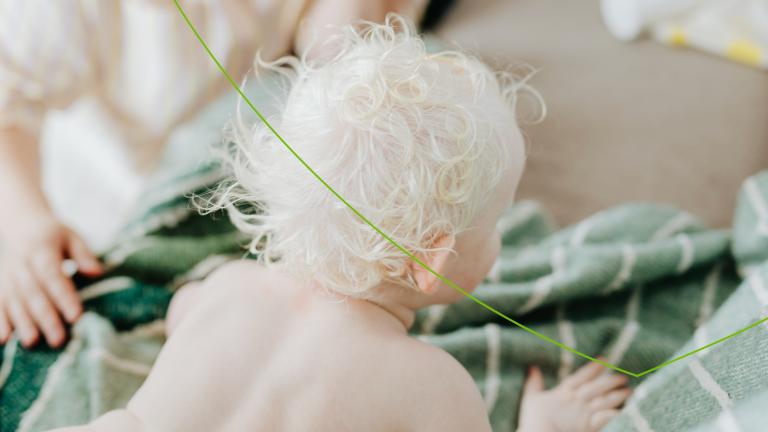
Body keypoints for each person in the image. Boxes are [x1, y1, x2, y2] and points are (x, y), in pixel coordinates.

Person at [48, 16, 631, 431]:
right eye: (498, 220)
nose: (505, 233)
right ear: (431, 263)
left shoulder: (230, 287)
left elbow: (185, 313)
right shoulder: (432, 385)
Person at [0, 0, 435, 349]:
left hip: (242, 199)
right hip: (88, 214)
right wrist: (22, 222)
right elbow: (8, 100)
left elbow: (341, 60)